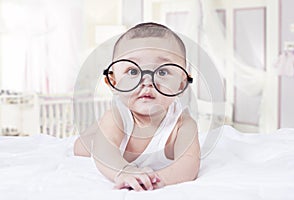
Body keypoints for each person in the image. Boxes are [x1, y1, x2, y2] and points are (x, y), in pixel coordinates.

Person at [73, 22, 200, 191]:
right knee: (83, 147)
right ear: (113, 81)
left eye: (162, 72)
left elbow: (189, 163)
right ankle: (94, 133)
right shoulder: (117, 116)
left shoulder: (183, 124)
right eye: (133, 72)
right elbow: (104, 151)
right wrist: (125, 171)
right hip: (97, 143)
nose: (147, 81)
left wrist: (156, 179)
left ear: (181, 83)